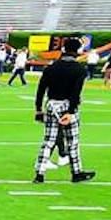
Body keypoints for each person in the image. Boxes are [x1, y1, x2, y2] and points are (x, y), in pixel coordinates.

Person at [32, 36, 96, 184]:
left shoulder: (51, 67)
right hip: (67, 106)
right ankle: (76, 172)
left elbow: (41, 89)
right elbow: (76, 93)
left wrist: (38, 109)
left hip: (51, 104)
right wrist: (71, 112)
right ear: (77, 51)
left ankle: (39, 173)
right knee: (72, 142)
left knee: (48, 141)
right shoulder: (80, 69)